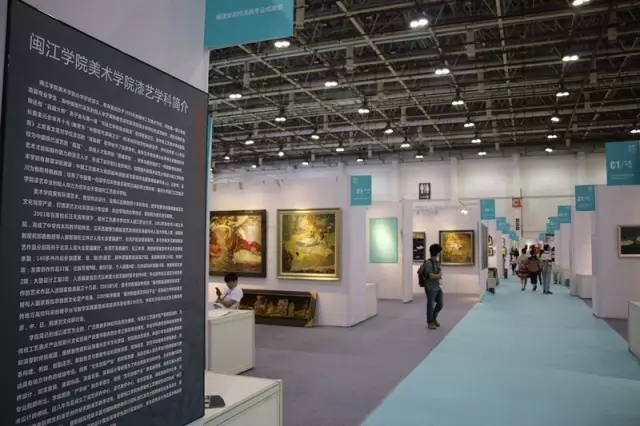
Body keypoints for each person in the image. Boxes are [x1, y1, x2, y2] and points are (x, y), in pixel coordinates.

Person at [420, 243, 443, 330]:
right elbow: (431, 276)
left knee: (440, 304)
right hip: (430, 287)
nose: (440, 253)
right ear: (437, 253)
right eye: (439, 252)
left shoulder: (437, 262)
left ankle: (434, 318)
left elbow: (439, 273)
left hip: (437, 286)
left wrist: (437, 275)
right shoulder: (428, 263)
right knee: (430, 304)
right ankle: (430, 321)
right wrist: (438, 275)